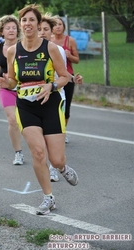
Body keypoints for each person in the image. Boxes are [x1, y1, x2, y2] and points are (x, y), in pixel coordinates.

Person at [0, 4, 79, 215]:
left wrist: (50, 86)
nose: (27, 24)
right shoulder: (13, 51)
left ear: (38, 23)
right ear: (20, 24)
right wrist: (7, 84)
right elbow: (14, 81)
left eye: (31, 20)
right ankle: (48, 197)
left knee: (57, 158)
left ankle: (62, 168)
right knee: (38, 152)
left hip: (50, 104)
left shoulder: (49, 47)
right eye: (24, 20)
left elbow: (64, 77)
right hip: (25, 106)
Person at [39, 14, 83, 181]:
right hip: (35, 99)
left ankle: (54, 168)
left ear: (51, 32)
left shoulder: (57, 50)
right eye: (40, 29)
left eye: (46, 29)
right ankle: (54, 167)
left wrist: (74, 79)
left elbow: (63, 73)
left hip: (56, 98)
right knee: (40, 140)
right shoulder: (26, 50)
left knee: (52, 135)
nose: (42, 33)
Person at [0, 15, 24, 165]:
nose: (11, 30)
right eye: (8, 28)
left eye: (14, 28)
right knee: (12, 120)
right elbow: (1, 64)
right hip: (5, 87)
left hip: (24, 86)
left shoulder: (24, 46)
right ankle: (18, 153)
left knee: (27, 122)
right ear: (1, 31)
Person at [51, 16, 80, 143]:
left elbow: (77, 60)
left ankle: (63, 131)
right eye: (55, 24)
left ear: (64, 26)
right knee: (53, 107)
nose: (58, 26)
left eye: (60, 24)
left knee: (66, 108)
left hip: (68, 77)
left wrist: (69, 56)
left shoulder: (70, 41)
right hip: (52, 77)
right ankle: (53, 132)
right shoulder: (48, 41)